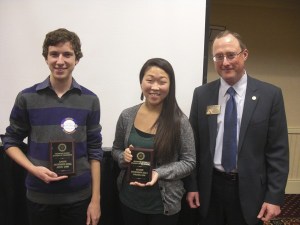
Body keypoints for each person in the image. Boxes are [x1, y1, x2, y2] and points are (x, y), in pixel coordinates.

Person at [185, 30, 289, 225]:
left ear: (245, 54)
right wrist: (192, 185)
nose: (225, 62)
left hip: (250, 191)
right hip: (209, 189)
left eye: (231, 55)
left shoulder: (270, 95)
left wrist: (274, 197)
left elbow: (278, 152)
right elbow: (193, 146)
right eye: (218, 56)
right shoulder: (202, 95)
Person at [1, 28, 103, 225]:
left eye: (67, 54)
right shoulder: (27, 98)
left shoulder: (90, 100)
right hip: (40, 196)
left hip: (79, 197)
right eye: (54, 54)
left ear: (77, 59)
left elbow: (95, 151)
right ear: (46, 58)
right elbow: (10, 141)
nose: (60, 60)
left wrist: (96, 200)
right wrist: (33, 169)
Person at [111, 58, 196, 225]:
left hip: (163, 206)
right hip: (129, 200)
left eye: (162, 82)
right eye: (149, 80)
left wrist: (159, 172)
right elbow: (115, 150)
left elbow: (189, 162)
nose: (155, 87)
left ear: (170, 85)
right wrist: (123, 157)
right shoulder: (127, 116)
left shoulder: (180, 121)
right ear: (141, 81)